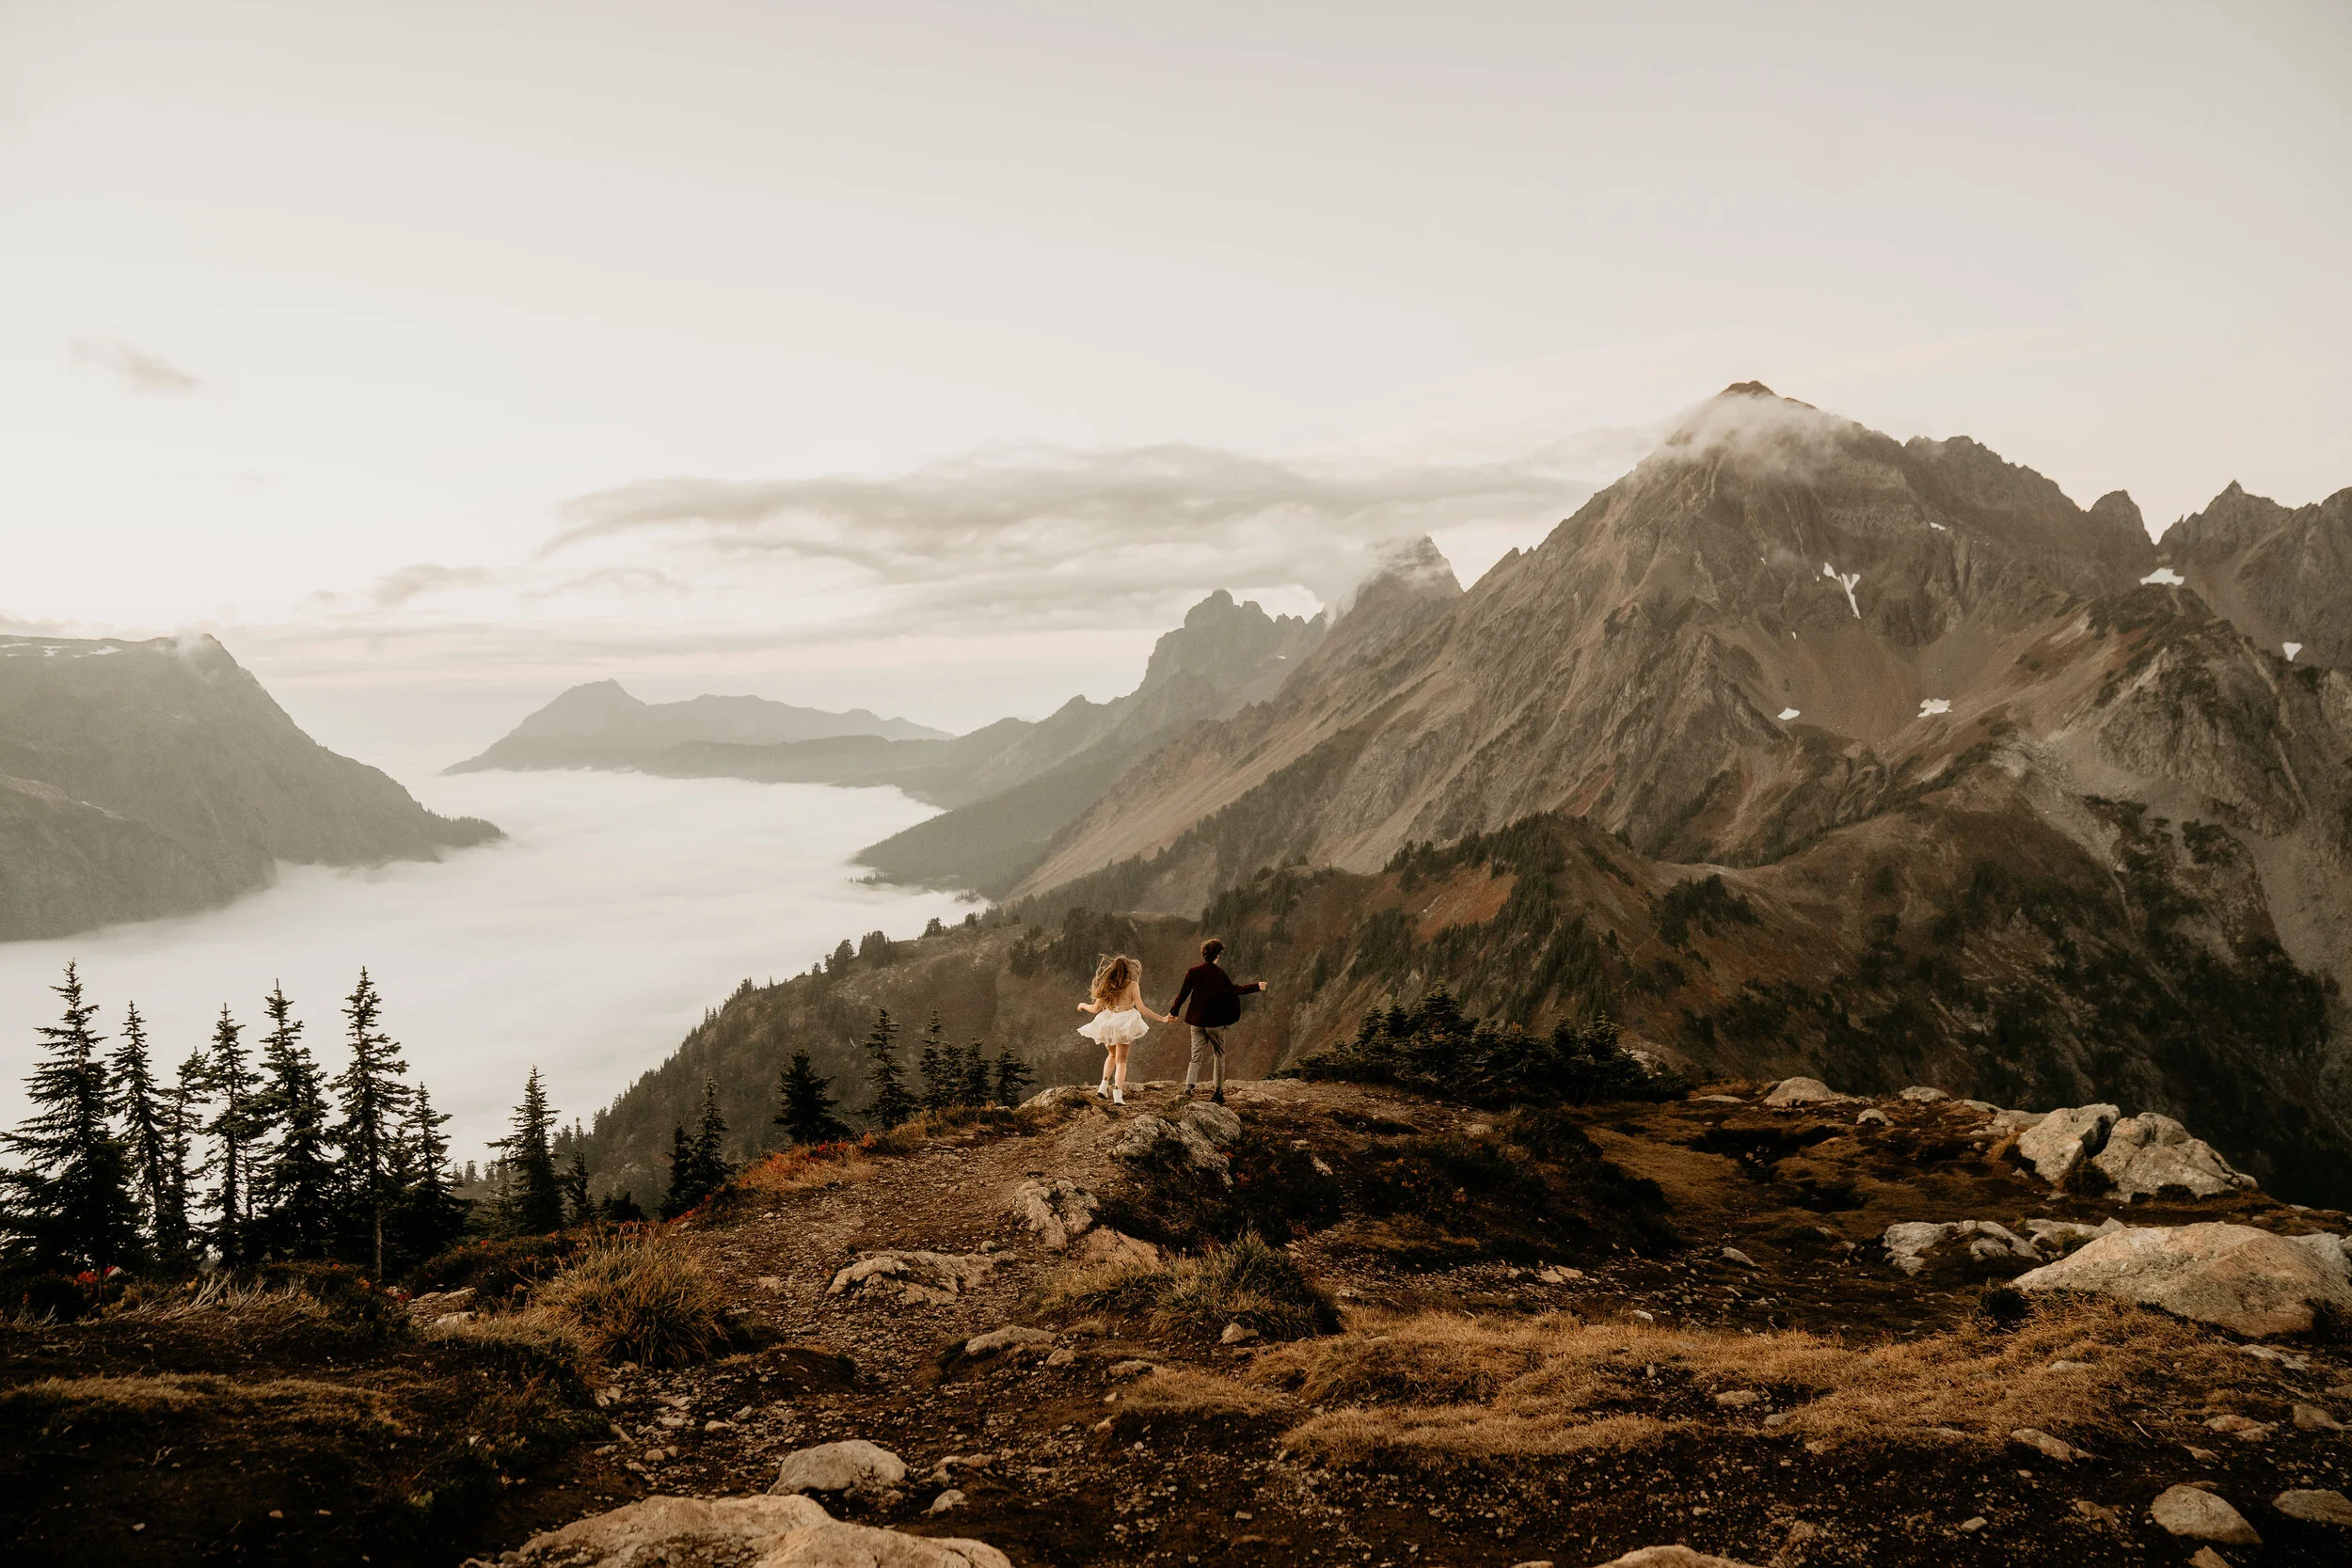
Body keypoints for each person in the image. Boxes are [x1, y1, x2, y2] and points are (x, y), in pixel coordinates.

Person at [1166, 937, 1267, 1105]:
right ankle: (1218, 1092)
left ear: (1203, 954)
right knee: (1219, 1055)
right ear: (1218, 955)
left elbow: (1183, 994)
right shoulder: (1219, 974)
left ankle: (1188, 1088)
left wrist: (1174, 1012)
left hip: (1196, 1022)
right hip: (1215, 1023)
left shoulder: (1193, 972)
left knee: (1196, 1057)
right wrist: (1256, 986)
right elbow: (1234, 990)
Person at [1076, 954, 1171, 1106]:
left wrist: (1082, 1004)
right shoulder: (1132, 985)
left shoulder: (1107, 985)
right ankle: (1118, 1095)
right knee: (1122, 1061)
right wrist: (1162, 1018)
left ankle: (1103, 1086)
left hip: (1108, 1022)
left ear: (1112, 970)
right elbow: (1142, 1009)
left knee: (1112, 1054)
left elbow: (1095, 1009)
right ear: (1128, 970)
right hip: (1125, 1023)